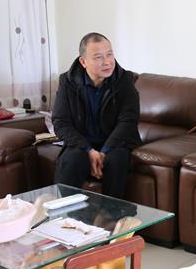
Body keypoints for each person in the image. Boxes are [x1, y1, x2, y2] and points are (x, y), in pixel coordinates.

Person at [52, 32, 141, 199]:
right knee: (72, 160)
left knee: (117, 160)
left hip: (115, 142)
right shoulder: (68, 81)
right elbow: (60, 122)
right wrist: (88, 150)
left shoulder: (124, 80)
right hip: (82, 142)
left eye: (109, 54)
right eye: (99, 57)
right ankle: (64, 212)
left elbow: (128, 121)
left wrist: (104, 152)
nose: (107, 62)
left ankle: (113, 213)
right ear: (83, 61)